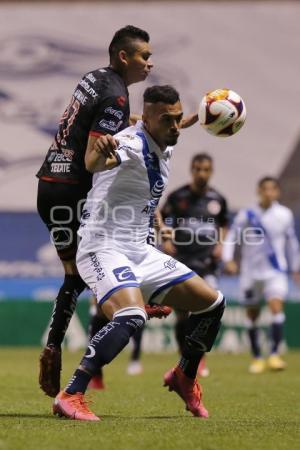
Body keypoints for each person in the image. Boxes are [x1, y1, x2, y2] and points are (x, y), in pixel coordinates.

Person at [52, 85, 226, 421]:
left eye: (178, 119)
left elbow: (150, 175)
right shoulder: (129, 145)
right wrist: (101, 147)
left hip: (140, 250)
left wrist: (184, 120)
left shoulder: (165, 136)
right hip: (102, 247)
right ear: (147, 120)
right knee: (131, 316)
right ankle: (70, 393)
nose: (176, 127)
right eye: (168, 121)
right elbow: (93, 162)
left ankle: (184, 377)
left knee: (213, 304)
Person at [36, 25, 154, 398]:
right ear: (124, 56)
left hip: (49, 184)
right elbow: (93, 159)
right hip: (73, 192)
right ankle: (127, 310)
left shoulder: (95, 78)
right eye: (144, 56)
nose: (150, 63)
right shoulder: (117, 98)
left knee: (75, 272)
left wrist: (153, 125)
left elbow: (102, 122)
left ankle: (55, 346)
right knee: (96, 262)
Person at [223, 176, 300, 373]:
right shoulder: (247, 214)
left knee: (276, 308)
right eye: (264, 189)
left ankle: (274, 354)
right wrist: (228, 259)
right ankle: (257, 357)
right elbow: (232, 236)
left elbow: (291, 243)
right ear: (259, 191)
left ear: (277, 192)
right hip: (250, 273)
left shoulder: (284, 214)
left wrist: (296, 267)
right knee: (252, 315)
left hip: (276, 271)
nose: (268, 193)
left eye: (272, 189)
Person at [160, 153, 229, 376]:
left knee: (209, 307)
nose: (201, 173)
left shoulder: (218, 199)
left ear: (211, 171)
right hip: (183, 261)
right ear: (192, 170)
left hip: (207, 263)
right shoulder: (178, 196)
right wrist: (166, 240)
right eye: (198, 169)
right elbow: (161, 218)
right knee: (182, 313)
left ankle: (199, 357)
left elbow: (223, 224)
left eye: (206, 169)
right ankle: (186, 359)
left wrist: (220, 244)